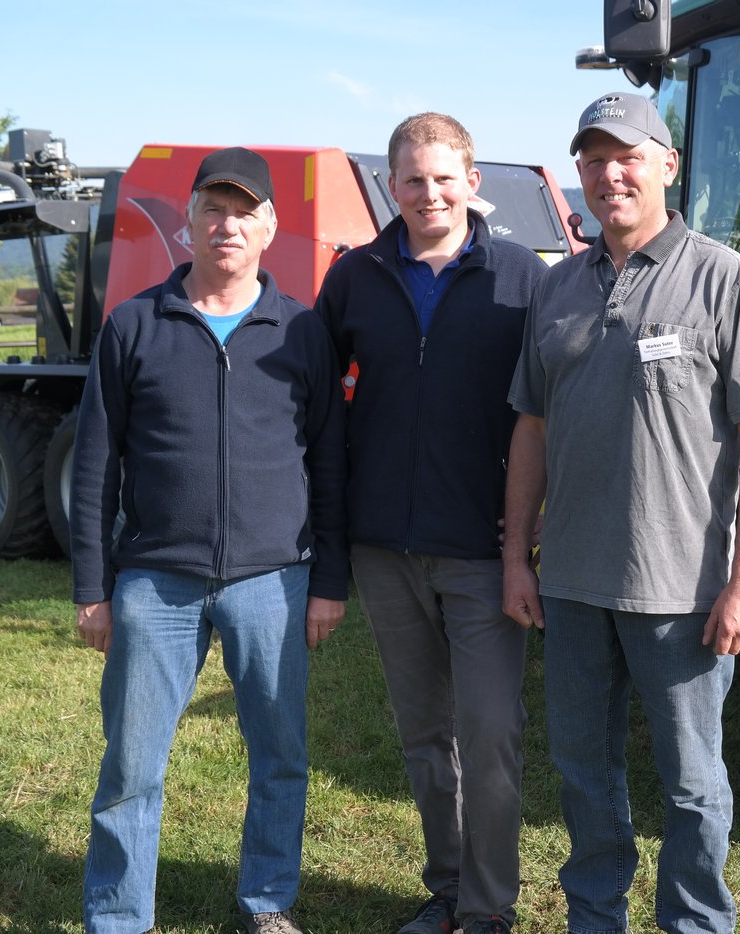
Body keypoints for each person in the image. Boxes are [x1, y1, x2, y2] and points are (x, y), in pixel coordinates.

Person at [502, 92, 740, 934]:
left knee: (693, 784)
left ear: (668, 165)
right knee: (584, 776)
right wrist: (518, 558)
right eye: (593, 160)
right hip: (573, 586)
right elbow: (531, 428)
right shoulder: (558, 288)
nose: (609, 173)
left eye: (626, 155)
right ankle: (596, 920)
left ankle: (695, 922)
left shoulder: (720, 277)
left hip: (684, 594)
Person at [70, 146, 348, 934]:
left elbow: (330, 463)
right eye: (212, 210)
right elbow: (96, 466)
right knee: (130, 763)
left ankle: (267, 902)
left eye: (244, 211)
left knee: (281, 757)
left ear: (270, 227)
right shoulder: (133, 326)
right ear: (188, 225)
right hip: (155, 581)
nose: (227, 225)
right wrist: (92, 588)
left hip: (275, 581)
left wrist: (328, 582)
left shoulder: (300, 331)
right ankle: (119, 915)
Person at [312, 113, 546, 934]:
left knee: (489, 735)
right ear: (390, 186)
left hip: (483, 550)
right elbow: (316, 407)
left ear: (472, 182)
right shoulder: (354, 278)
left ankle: (487, 909)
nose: (428, 193)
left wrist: (529, 538)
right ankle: (446, 889)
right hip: (386, 549)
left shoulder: (522, 277)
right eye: (412, 179)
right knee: (423, 737)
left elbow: (547, 414)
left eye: (444, 178)